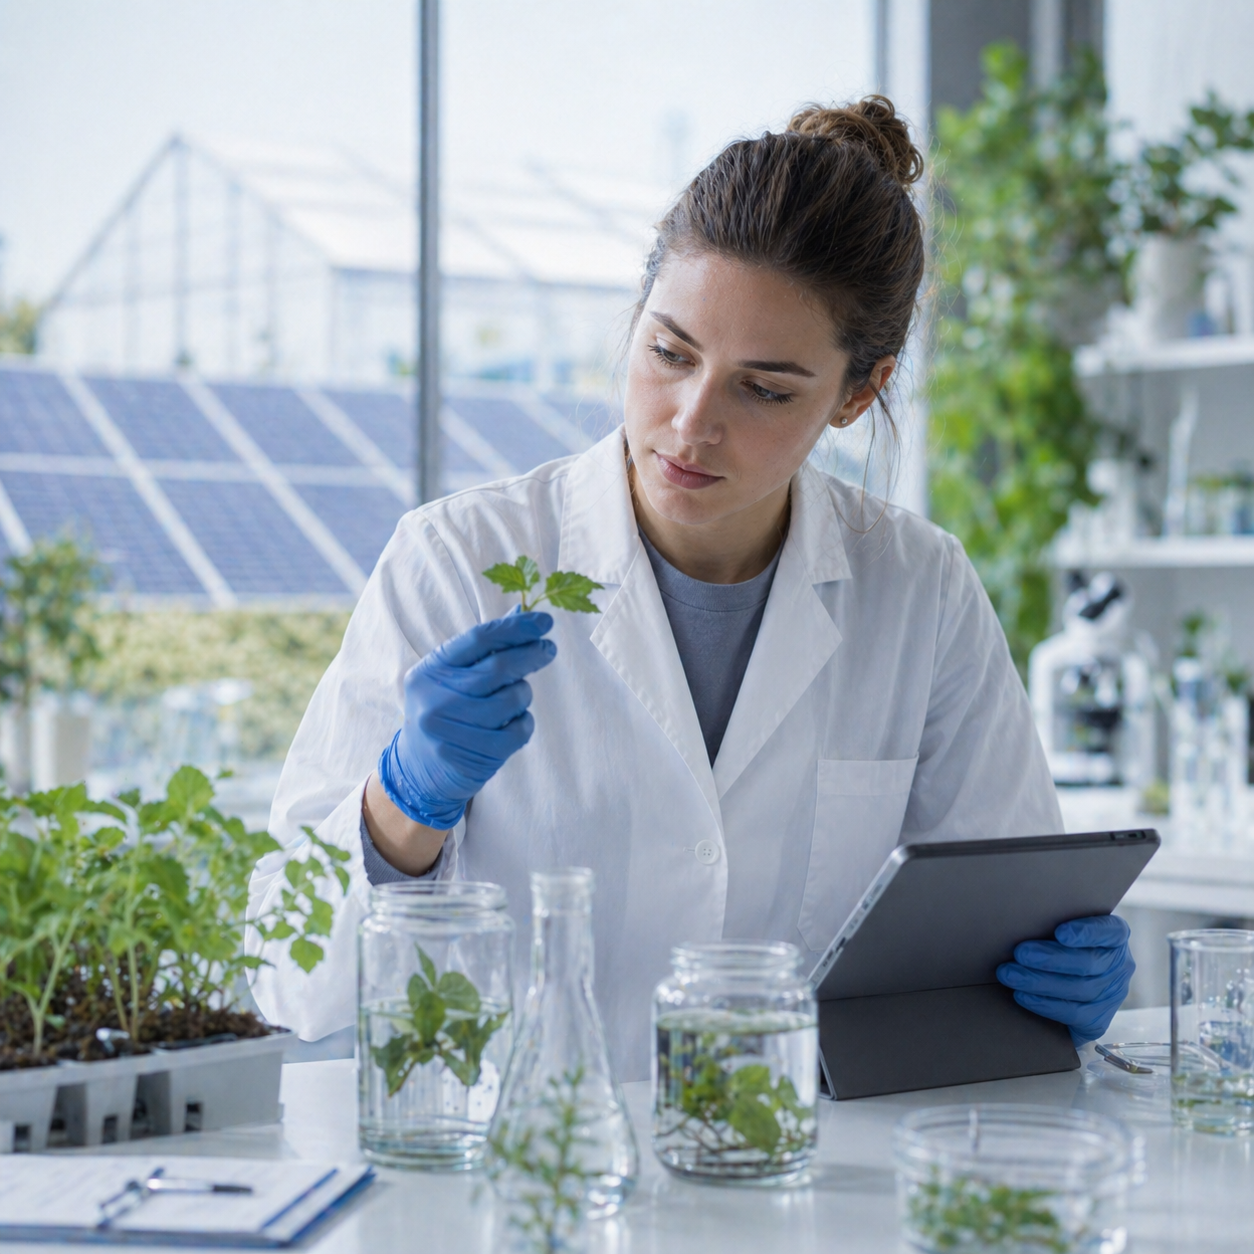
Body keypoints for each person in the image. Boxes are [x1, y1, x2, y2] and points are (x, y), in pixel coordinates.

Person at [248, 97, 1133, 1081]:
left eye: (765, 388)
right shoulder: (457, 560)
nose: (689, 422)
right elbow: (288, 980)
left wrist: (1047, 983)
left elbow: (996, 925)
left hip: (794, 1180)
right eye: (670, 352)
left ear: (859, 394)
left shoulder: (919, 589)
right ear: (635, 319)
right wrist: (399, 808)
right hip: (528, 1177)